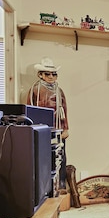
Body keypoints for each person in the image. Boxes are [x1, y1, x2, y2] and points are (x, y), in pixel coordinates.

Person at [27, 57, 69, 188]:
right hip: (42, 129)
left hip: (58, 128)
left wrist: (65, 128)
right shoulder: (35, 90)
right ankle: (43, 185)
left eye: (54, 74)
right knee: (42, 156)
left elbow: (64, 110)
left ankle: (61, 182)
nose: (51, 76)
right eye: (47, 74)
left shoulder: (59, 91)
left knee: (60, 154)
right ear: (41, 75)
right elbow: (30, 108)